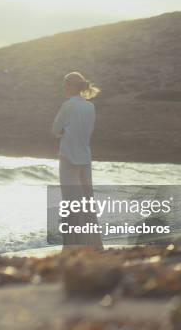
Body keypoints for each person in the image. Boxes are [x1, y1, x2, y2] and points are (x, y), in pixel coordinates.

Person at [52, 71, 103, 249]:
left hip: (68, 158)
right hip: (85, 156)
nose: (64, 88)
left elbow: (55, 129)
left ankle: (74, 246)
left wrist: (65, 132)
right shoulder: (90, 106)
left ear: (72, 86)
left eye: (66, 84)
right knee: (87, 201)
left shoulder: (68, 106)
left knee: (72, 201)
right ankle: (95, 245)